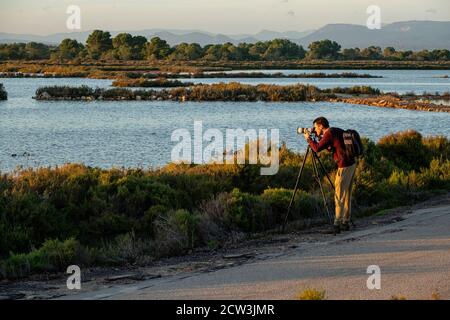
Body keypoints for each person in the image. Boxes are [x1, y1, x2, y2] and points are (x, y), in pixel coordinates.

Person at [303, 117, 356, 234]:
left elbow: (316, 148)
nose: (314, 129)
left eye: (316, 127)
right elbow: (328, 146)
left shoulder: (329, 134)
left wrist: (308, 139)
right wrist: (316, 137)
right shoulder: (334, 131)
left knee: (339, 195)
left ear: (321, 126)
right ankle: (345, 222)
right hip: (351, 164)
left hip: (344, 166)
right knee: (346, 195)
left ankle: (337, 224)